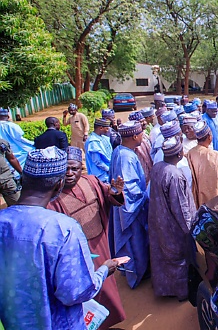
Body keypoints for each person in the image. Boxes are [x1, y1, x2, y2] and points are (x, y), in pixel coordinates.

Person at [0, 147, 118, 330]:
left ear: (23, 179)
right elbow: (76, 292)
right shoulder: (63, 228)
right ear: (58, 185)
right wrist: (104, 270)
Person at [47, 147, 126, 330]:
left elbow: (110, 198)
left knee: (108, 288)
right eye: (65, 169)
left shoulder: (91, 181)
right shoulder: (53, 197)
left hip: (101, 244)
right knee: (89, 290)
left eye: (74, 168)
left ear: (80, 168)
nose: (69, 173)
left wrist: (115, 192)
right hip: (79, 254)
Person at [148, 137, 197, 300]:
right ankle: (182, 293)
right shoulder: (175, 175)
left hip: (158, 222)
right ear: (179, 154)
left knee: (162, 255)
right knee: (178, 258)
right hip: (173, 227)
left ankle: (164, 288)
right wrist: (190, 230)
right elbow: (181, 209)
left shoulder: (157, 167)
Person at [109, 121, 149, 289]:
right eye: (141, 134)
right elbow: (129, 189)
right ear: (134, 136)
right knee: (134, 243)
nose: (142, 136)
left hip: (127, 207)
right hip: (130, 211)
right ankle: (137, 275)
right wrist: (145, 197)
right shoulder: (125, 157)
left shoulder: (122, 151)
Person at [187, 120, 218, 208]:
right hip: (214, 200)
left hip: (197, 200)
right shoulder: (215, 156)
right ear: (209, 137)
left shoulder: (190, 154)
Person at [84, 118, 113, 183]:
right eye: (107, 128)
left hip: (107, 174)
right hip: (100, 176)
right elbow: (97, 161)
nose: (108, 131)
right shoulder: (93, 142)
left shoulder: (104, 138)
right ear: (101, 128)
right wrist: (108, 169)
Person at [129, 111, 152, 186]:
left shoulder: (144, 134)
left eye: (144, 120)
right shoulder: (135, 140)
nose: (144, 123)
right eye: (141, 122)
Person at [0, 139, 22, 206]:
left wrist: (22, 173)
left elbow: (12, 159)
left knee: (17, 206)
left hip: (7, 180)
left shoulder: (2, 143)